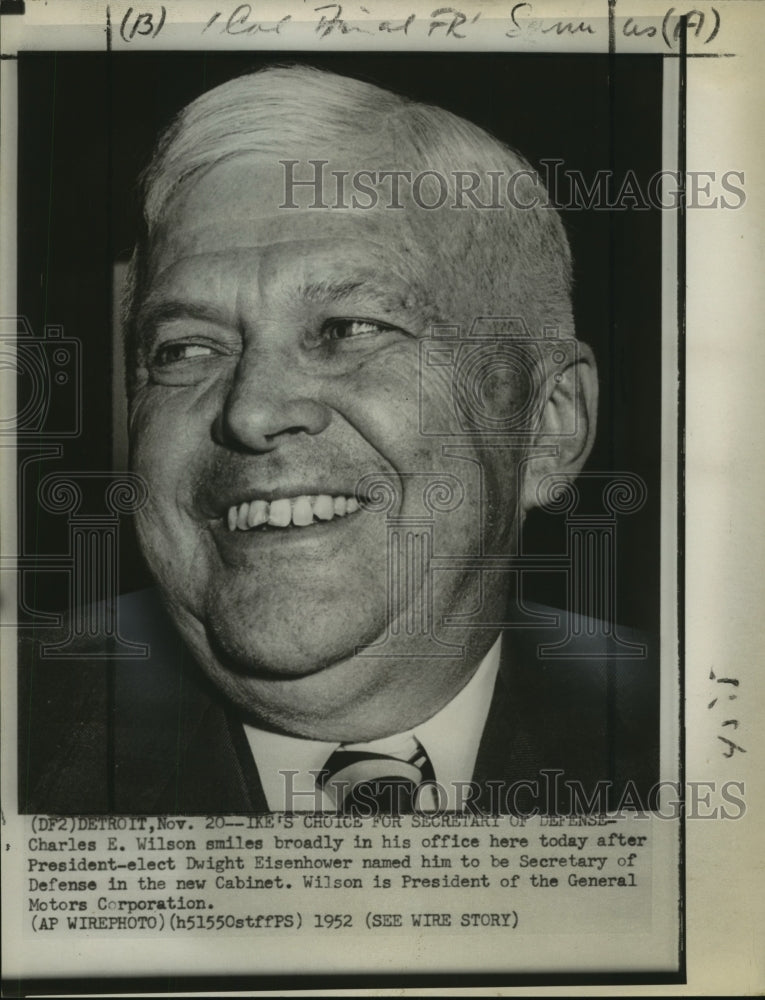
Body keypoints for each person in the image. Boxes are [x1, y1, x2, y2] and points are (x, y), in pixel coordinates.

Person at [19, 65, 658, 815]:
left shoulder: (698, 736)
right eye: (185, 349)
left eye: (351, 329)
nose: (251, 412)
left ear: (548, 423)